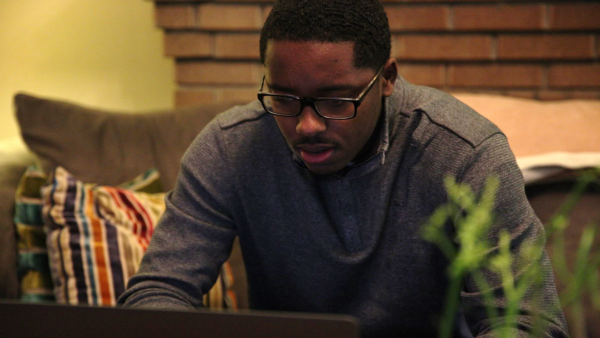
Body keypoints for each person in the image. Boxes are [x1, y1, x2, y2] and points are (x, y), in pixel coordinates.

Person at [119, 0, 568, 336]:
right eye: (284, 98)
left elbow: (529, 323)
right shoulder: (228, 148)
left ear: (387, 78)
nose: (306, 125)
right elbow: (156, 291)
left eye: (337, 101)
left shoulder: (465, 153)